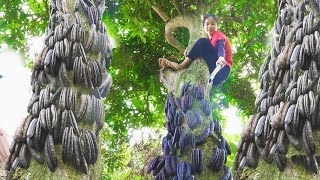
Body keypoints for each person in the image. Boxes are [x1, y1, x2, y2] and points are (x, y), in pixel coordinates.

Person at [159, 14, 232, 88]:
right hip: (214, 76)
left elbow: (220, 45)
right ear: (203, 27)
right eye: (207, 24)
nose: (210, 26)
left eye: (213, 24)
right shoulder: (210, 41)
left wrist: (221, 57)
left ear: (217, 26)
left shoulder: (218, 34)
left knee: (202, 41)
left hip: (222, 69)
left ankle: (181, 66)